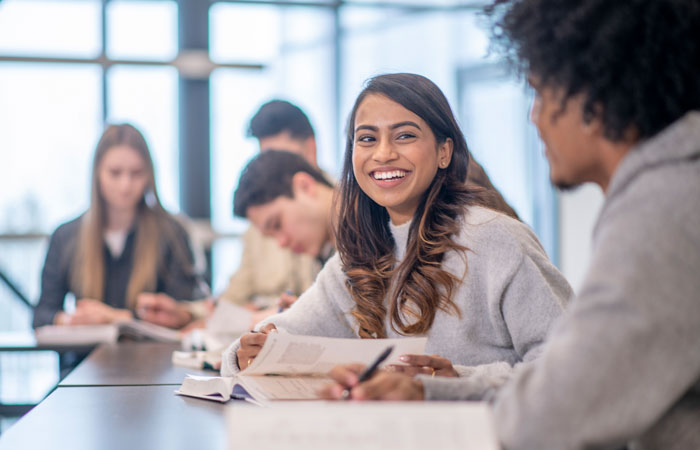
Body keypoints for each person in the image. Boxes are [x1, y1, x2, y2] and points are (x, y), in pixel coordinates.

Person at [326, 2, 700, 449]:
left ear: (593, 95)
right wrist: (431, 392)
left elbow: (566, 404)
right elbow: (572, 380)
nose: (534, 118)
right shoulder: (667, 193)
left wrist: (432, 406)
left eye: (541, 94)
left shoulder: (664, 212)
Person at [222, 73, 572, 402]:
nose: (383, 153)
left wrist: (451, 384)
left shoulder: (498, 240)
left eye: (404, 135)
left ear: (444, 151)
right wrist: (245, 353)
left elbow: (570, 370)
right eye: (367, 138)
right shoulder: (357, 255)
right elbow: (281, 334)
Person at [33, 123, 204, 329]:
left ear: (149, 174)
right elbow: (41, 315)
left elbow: (184, 313)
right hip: (83, 358)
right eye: (115, 173)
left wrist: (115, 318)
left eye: (136, 173)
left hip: (151, 359)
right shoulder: (65, 236)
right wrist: (71, 320)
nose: (125, 185)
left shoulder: (172, 233)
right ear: (97, 173)